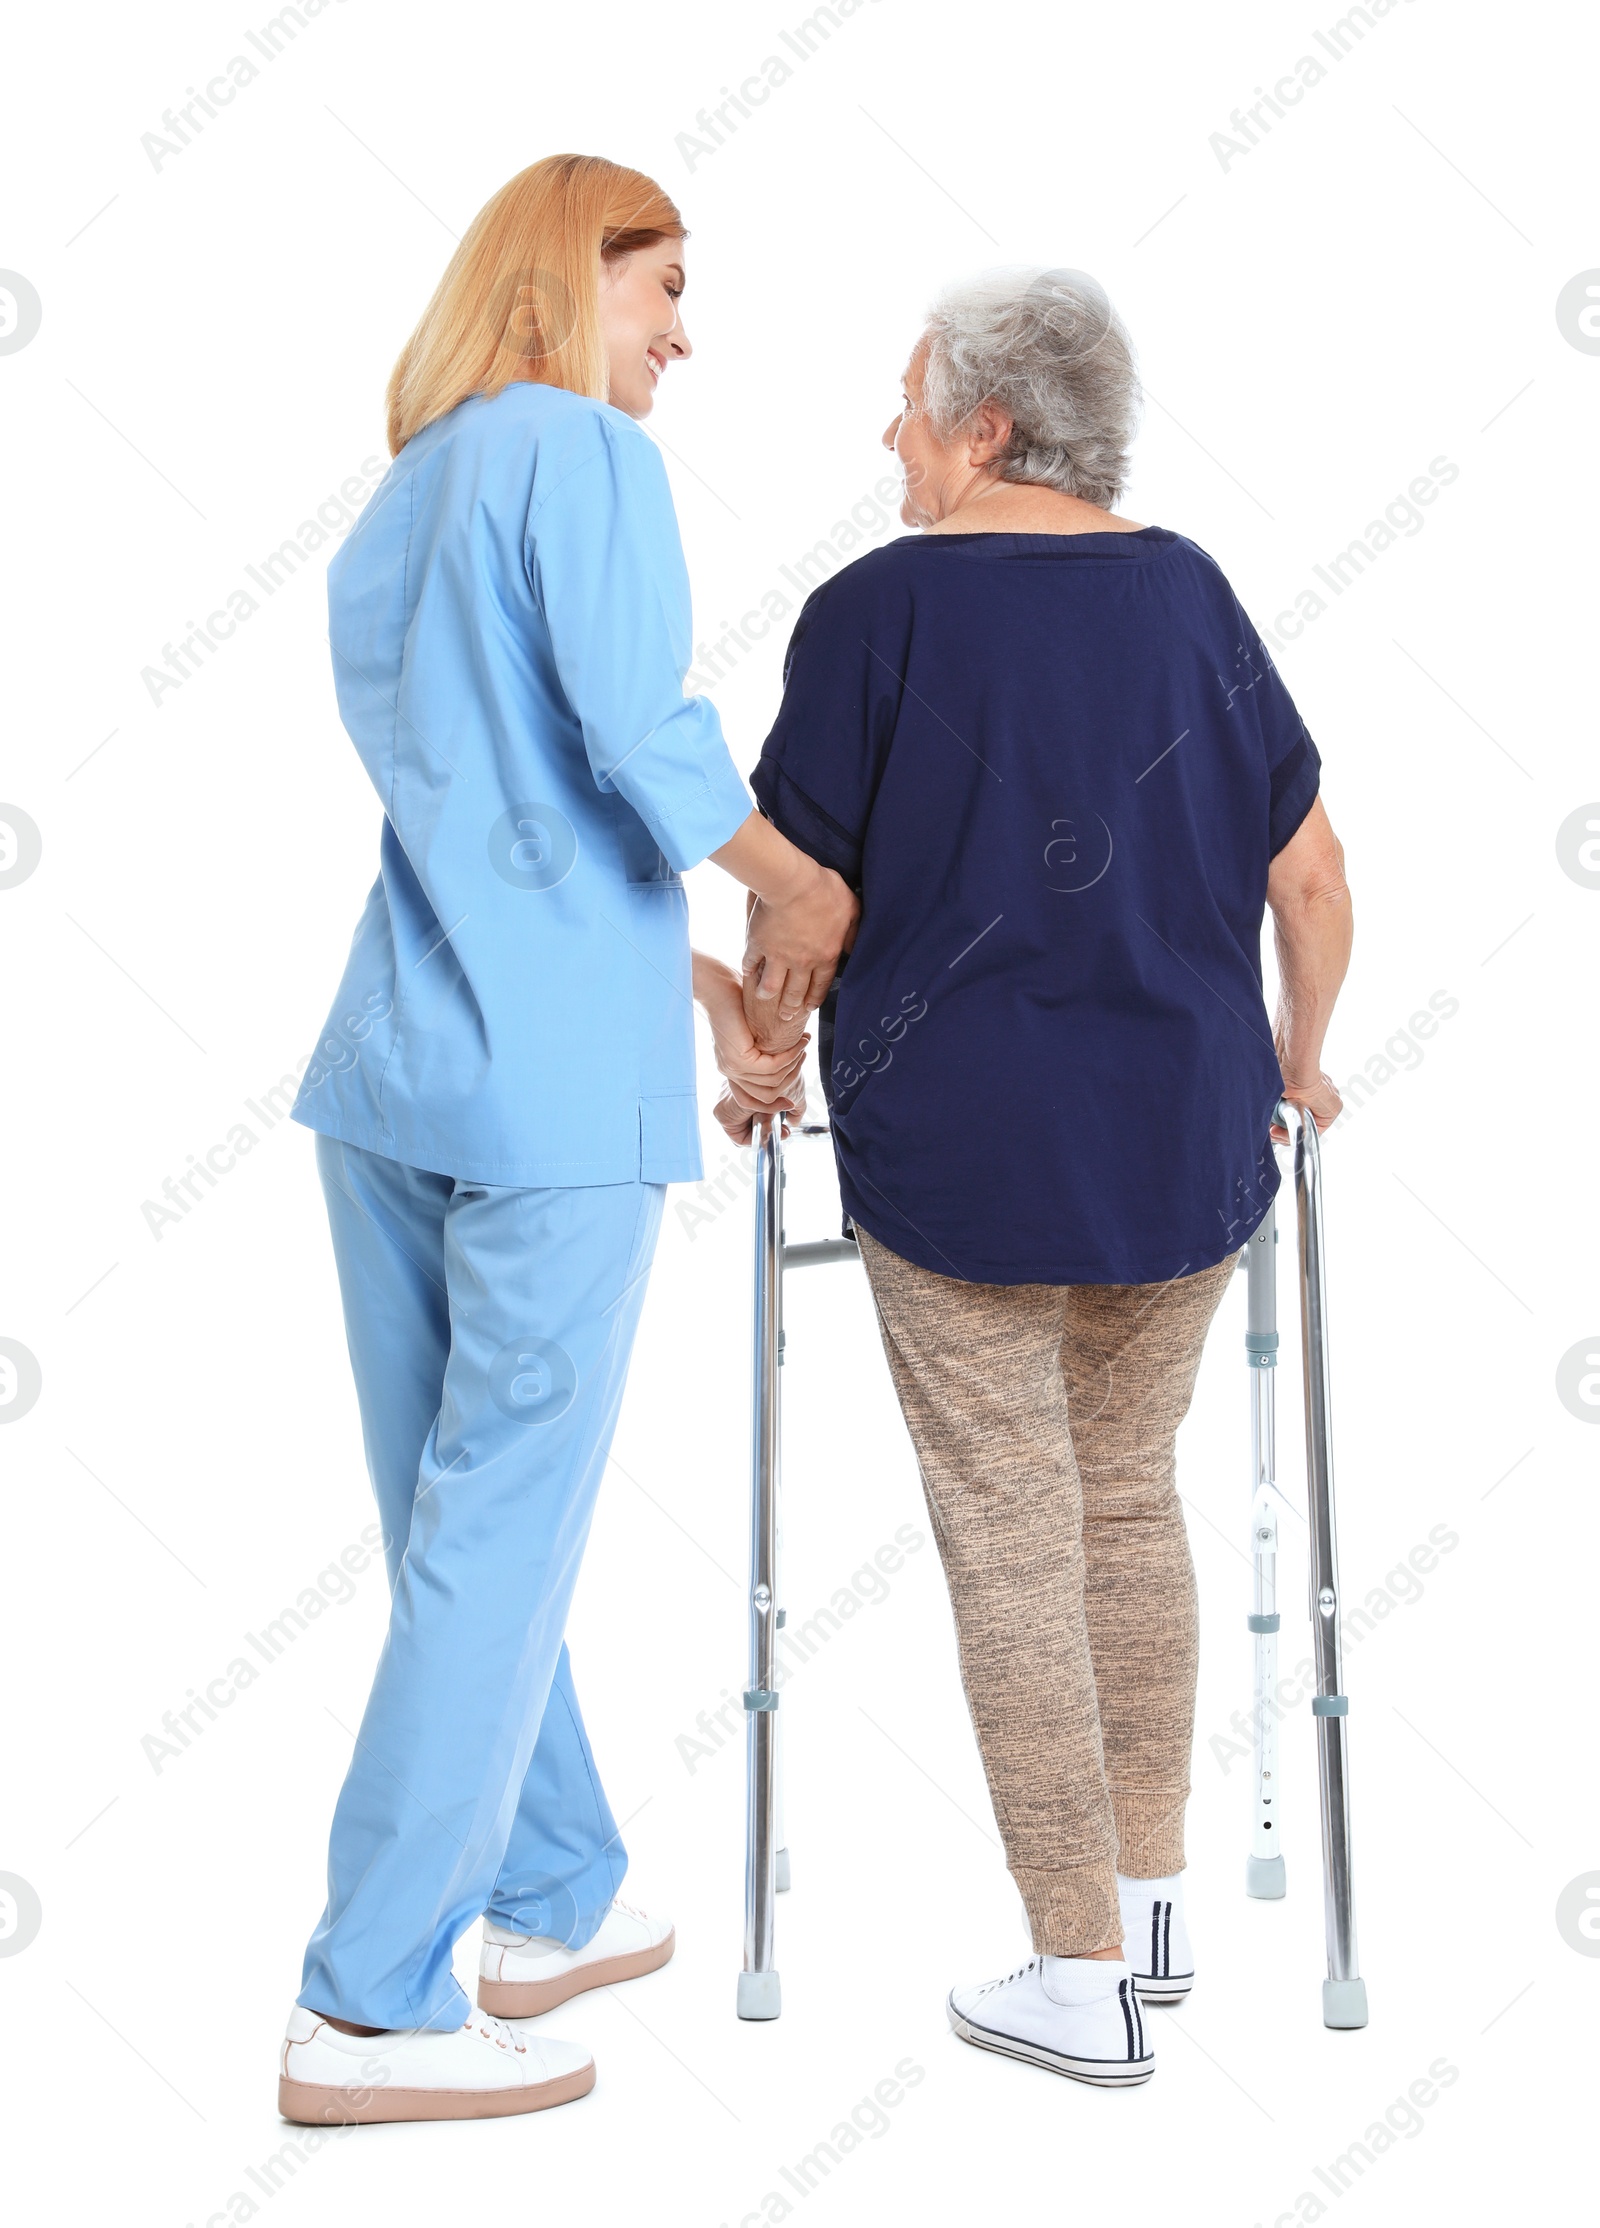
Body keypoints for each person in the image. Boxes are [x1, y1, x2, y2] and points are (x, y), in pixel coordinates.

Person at [277, 154, 855, 2127]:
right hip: (542, 1106)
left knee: (460, 1539)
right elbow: (633, 730)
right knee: (495, 1536)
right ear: (563, 271)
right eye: (660, 286)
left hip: (395, 1070)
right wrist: (794, 888)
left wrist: (686, 972)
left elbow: (496, 793)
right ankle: (361, 2007)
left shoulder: (408, 490)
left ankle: (550, 1889)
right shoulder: (582, 459)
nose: (681, 334)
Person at [731, 268, 1352, 2088]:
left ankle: (1075, 1977)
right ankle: (1149, 1915)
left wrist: (759, 1052)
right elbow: (1311, 881)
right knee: (1126, 1501)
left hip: (966, 1153)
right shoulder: (1191, 595)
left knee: (1015, 1522)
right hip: (1187, 1144)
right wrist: (1303, 1062)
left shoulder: (873, 612)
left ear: (987, 426)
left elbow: (803, 901)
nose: (890, 436)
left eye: (909, 401)